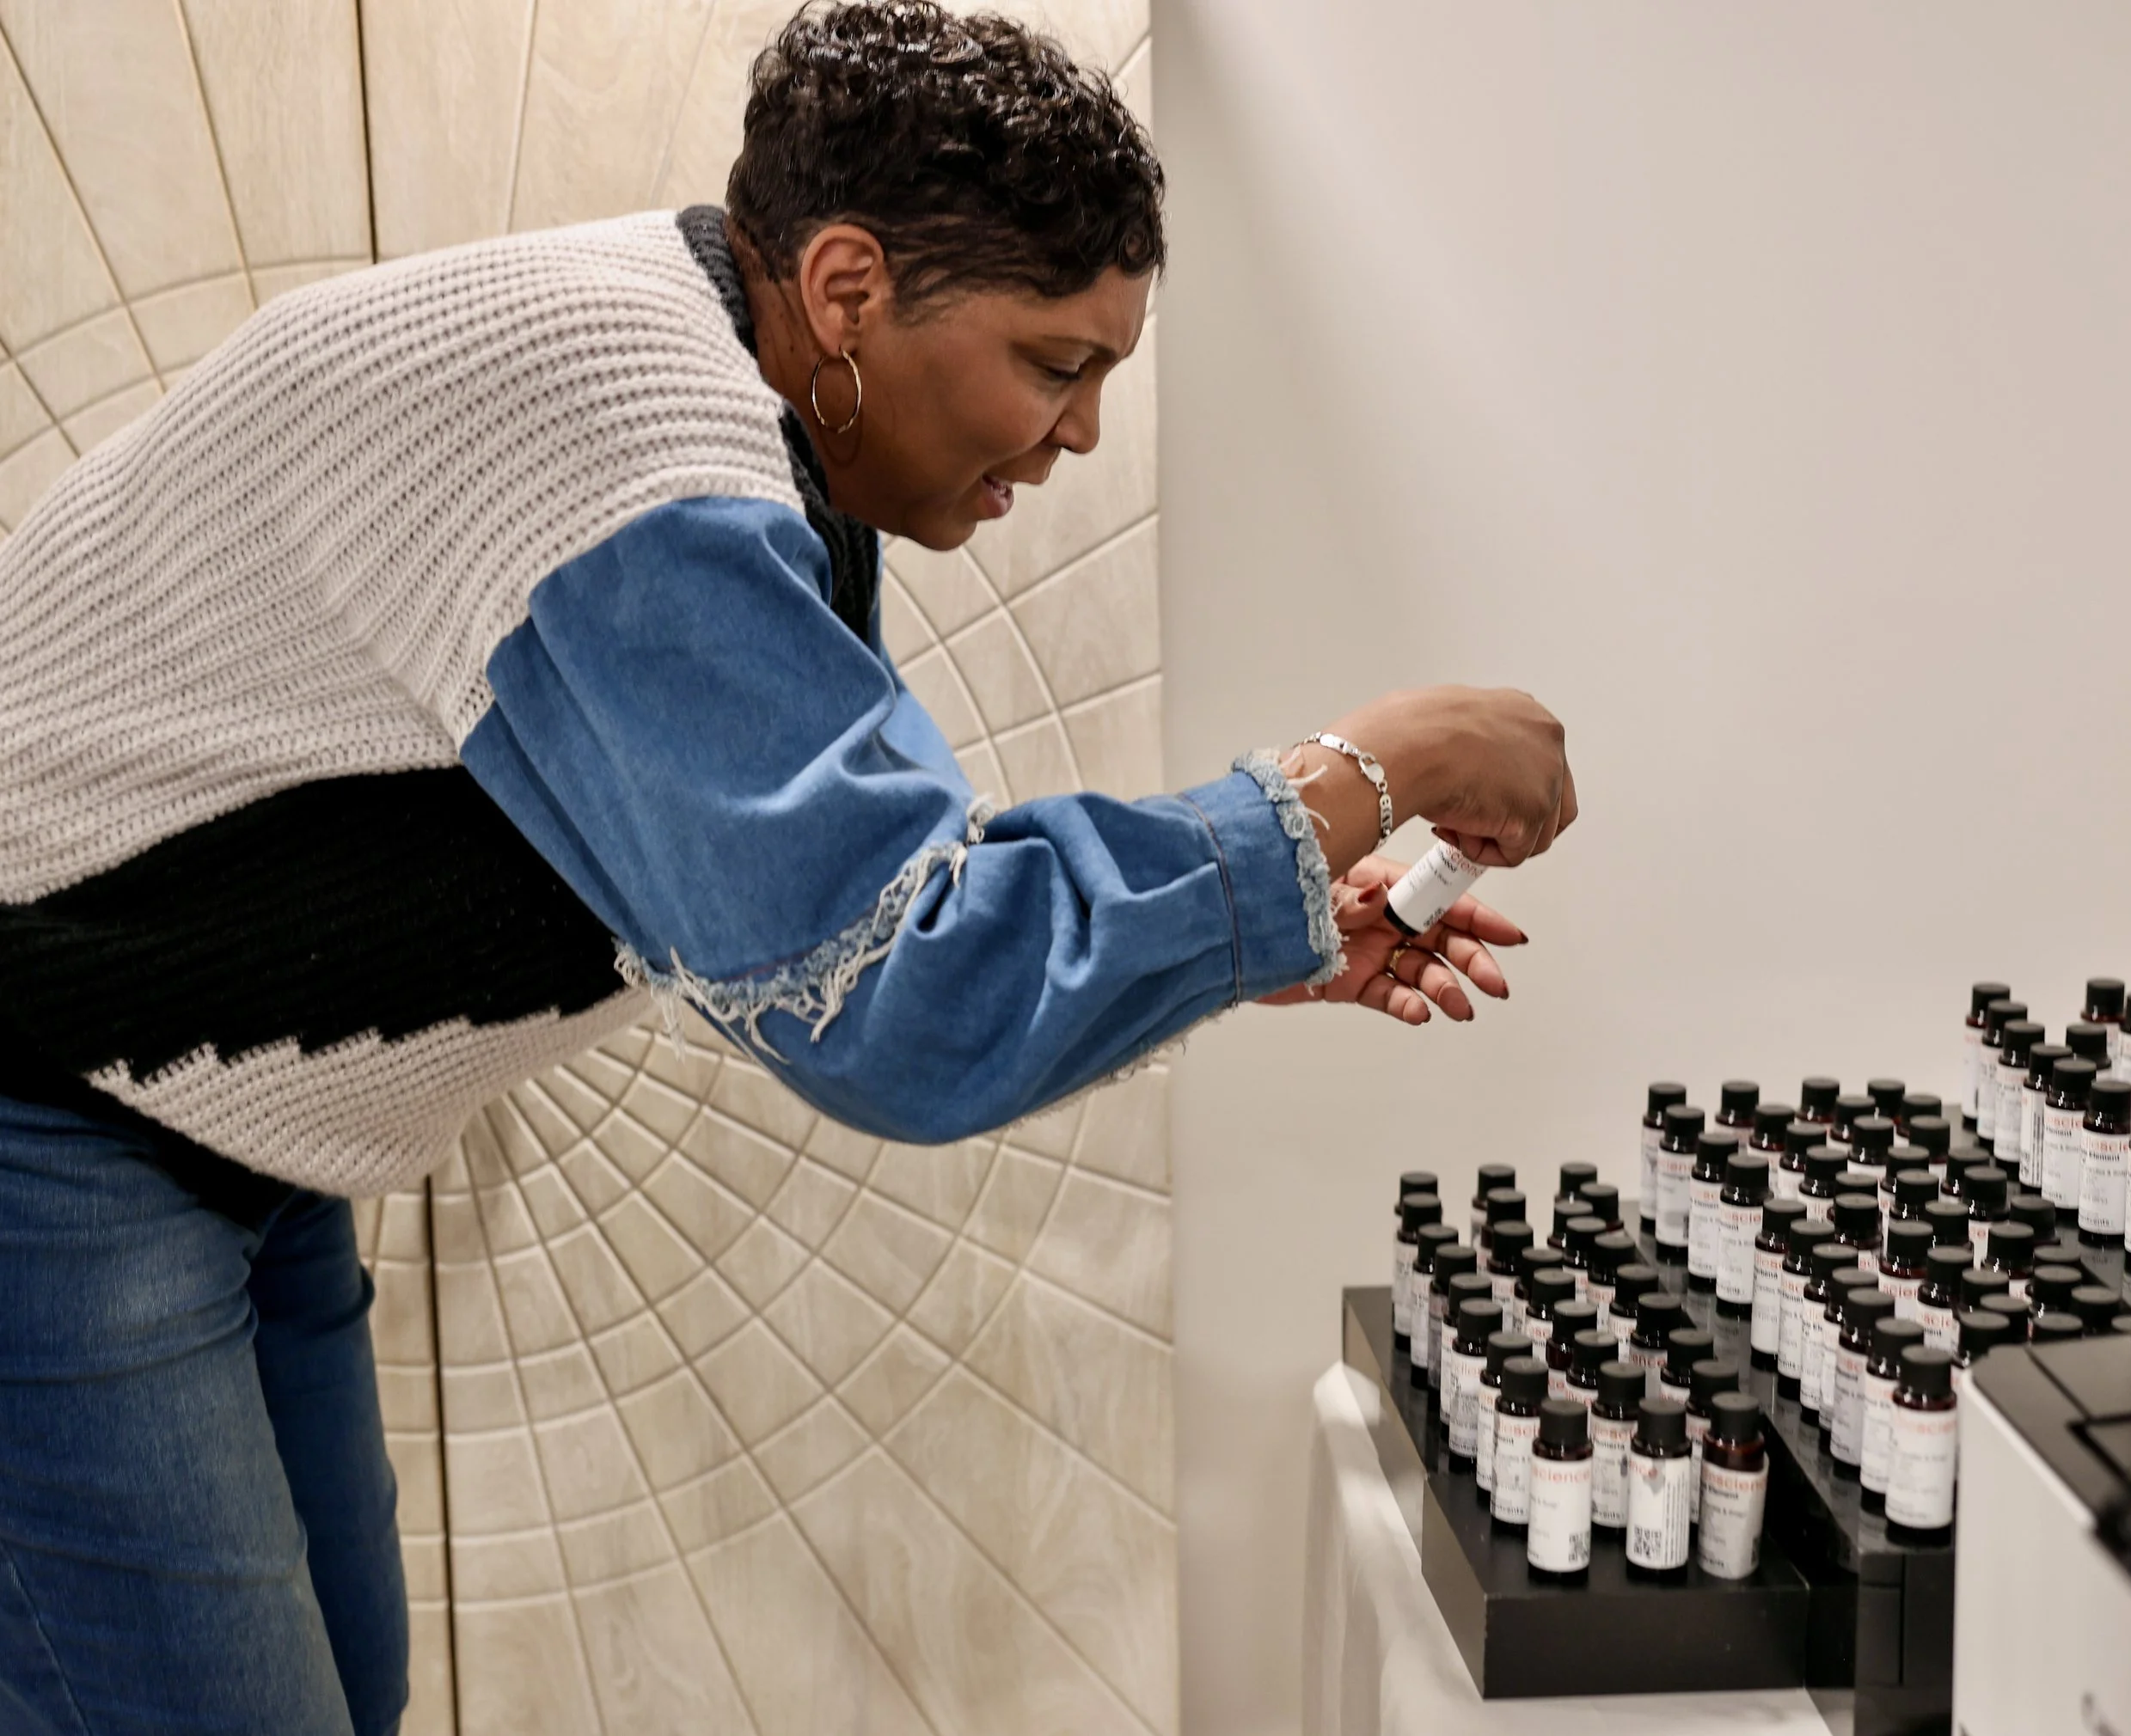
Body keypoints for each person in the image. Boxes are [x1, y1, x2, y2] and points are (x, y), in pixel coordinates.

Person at [0, 3, 1575, 1731]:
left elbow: (839, 892)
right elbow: (898, 990)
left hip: (214, 1130)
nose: (1079, 437)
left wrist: (1248, 918)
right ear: (841, 288)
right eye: (1055, 364)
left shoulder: (700, 398)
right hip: (54, 1117)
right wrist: (1356, 776)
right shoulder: (632, 451)